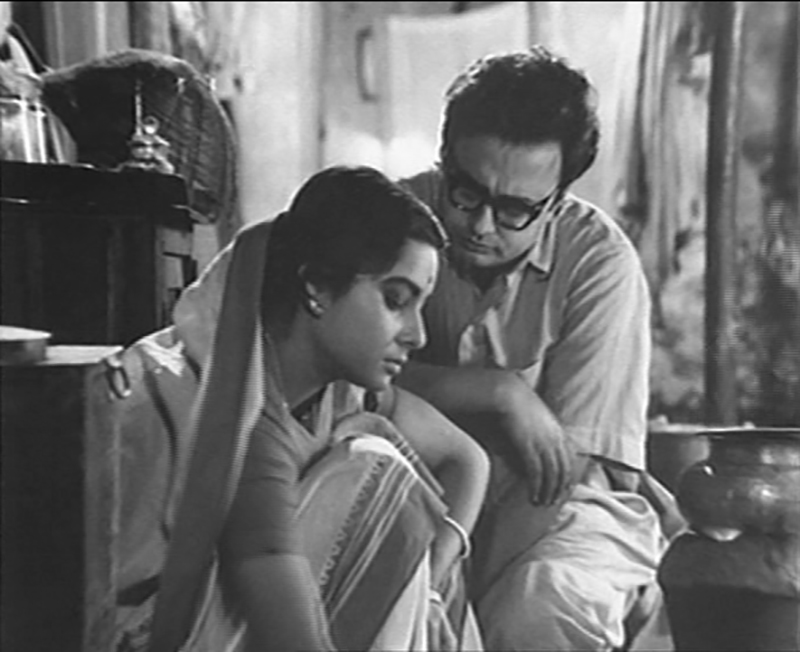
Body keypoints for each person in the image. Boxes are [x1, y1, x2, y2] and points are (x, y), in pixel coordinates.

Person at [397, 46, 682, 650]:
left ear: (557, 200)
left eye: (514, 210)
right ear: (444, 159)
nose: (480, 226)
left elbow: (561, 474)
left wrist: (467, 596)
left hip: (563, 510)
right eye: (465, 192)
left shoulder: (599, 265)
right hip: (413, 491)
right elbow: (330, 377)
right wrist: (494, 392)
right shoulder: (392, 220)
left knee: (537, 607)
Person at [145, 165, 490, 651]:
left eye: (421, 306)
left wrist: (429, 582)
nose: (418, 335)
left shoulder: (340, 391)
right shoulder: (243, 411)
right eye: (396, 301)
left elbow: (467, 460)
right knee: (379, 475)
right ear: (318, 288)